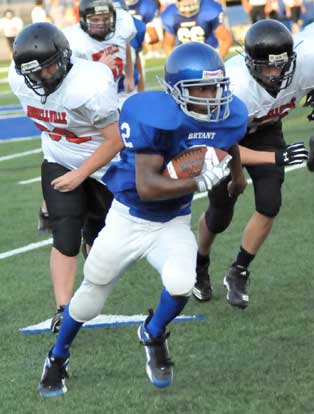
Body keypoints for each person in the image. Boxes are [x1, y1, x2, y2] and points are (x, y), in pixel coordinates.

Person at [37, 41, 248, 397]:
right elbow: (147, 186)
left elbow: (229, 139)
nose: (212, 96)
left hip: (172, 223)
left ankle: (153, 333)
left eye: (216, 86)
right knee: (91, 297)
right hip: (129, 218)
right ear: (176, 91)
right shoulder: (152, 115)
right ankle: (57, 357)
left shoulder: (229, 114)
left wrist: (238, 174)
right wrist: (197, 181)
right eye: (201, 89)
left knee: (182, 281)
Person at [9, 22, 123, 332]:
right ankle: (63, 309)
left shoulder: (90, 85)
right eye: (35, 72)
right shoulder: (19, 81)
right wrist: (65, 179)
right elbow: (49, 126)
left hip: (102, 166)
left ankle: (91, 235)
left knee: (101, 247)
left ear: (64, 57)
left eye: (48, 68)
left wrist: (81, 175)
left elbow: (115, 140)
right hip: (58, 160)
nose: (43, 77)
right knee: (65, 234)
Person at [193, 19, 309, 306]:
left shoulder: (308, 60)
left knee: (270, 203)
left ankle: (239, 270)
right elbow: (221, 146)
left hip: (266, 128)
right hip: (227, 140)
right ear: (249, 63)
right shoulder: (233, 88)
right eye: (266, 67)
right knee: (220, 212)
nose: (275, 74)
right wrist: (276, 158)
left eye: (281, 65)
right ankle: (199, 264)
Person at [38, 0, 136, 233]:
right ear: (82, 19)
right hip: (87, 101)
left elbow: (127, 47)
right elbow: (68, 75)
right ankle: (51, 201)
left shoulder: (123, 26)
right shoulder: (73, 40)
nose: (101, 24)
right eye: (95, 19)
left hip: (117, 95)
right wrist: (96, 67)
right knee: (73, 146)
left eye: (105, 19)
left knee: (130, 144)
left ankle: (121, 200)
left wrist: (130, 74)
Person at [161, 0, 233, 59]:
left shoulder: (209, 8)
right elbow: (168, 45)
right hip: (185, 57)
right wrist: (175, 63)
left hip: (209, 54)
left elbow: (226, 39)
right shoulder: (170, 13)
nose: (186, 2)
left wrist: (216, 60)